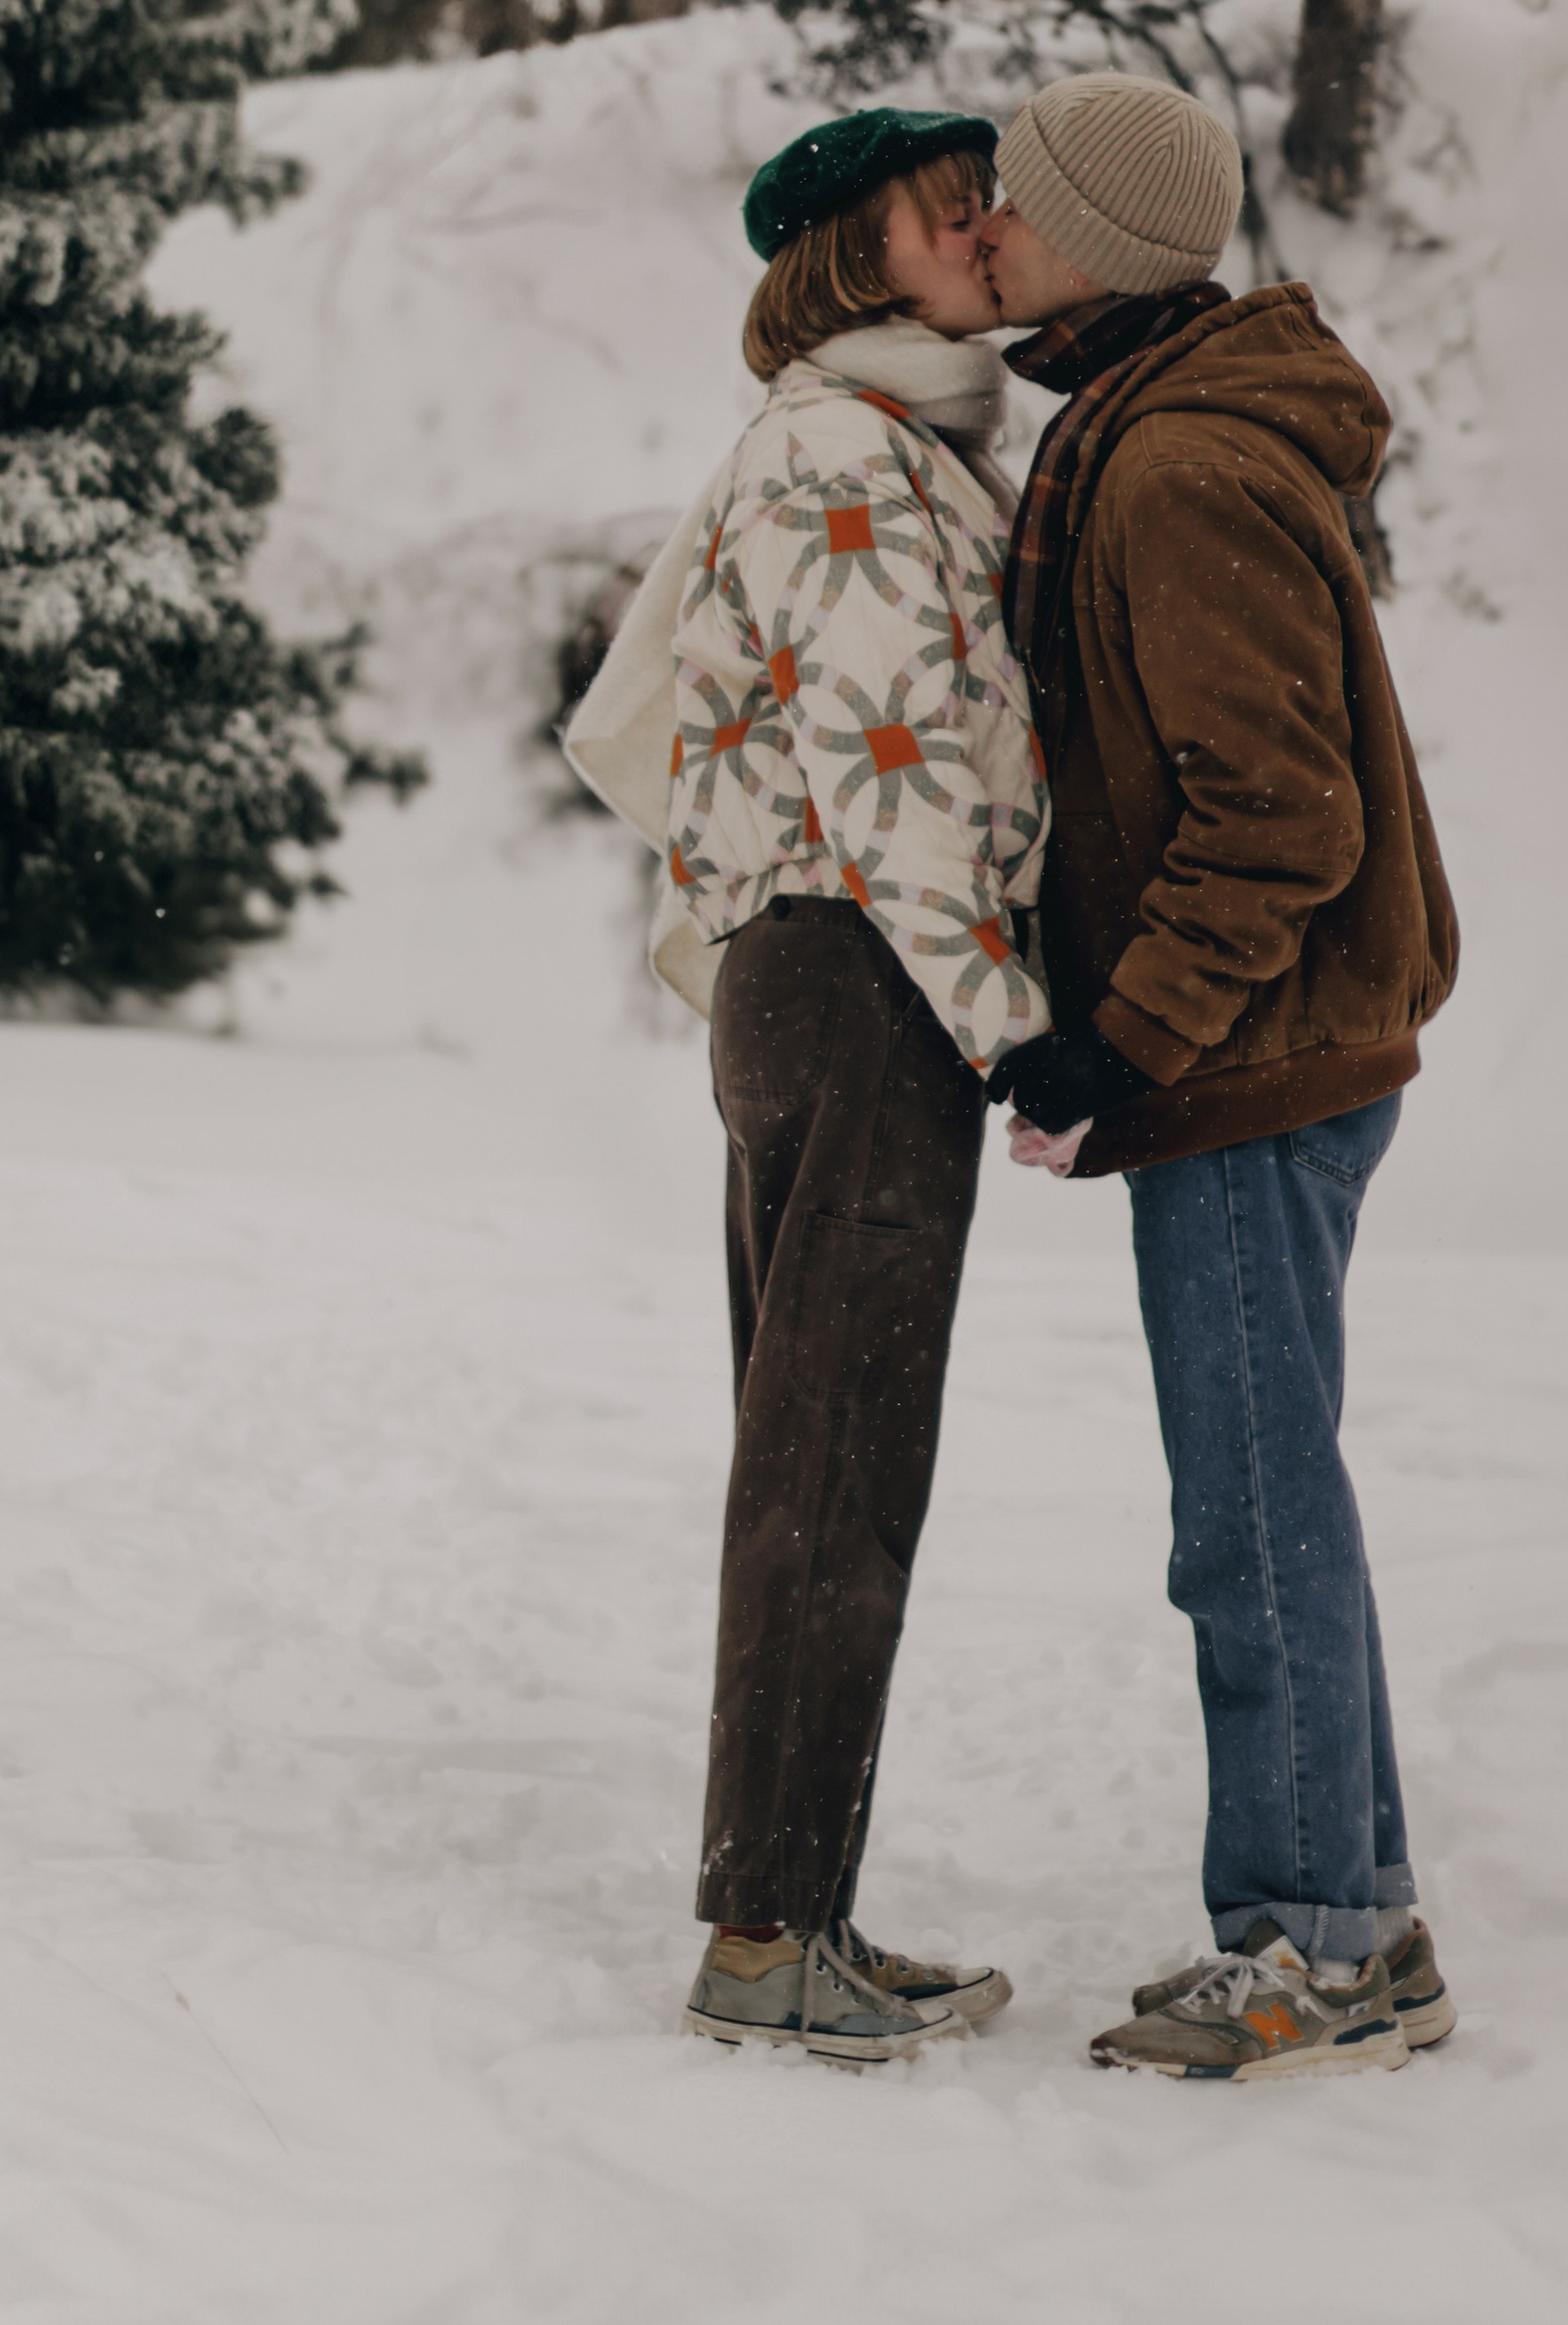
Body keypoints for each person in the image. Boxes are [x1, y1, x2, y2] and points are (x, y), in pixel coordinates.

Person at [973, 70, 1465, 2083]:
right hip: (1257, 1050)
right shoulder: (1146, 422)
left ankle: (1313, 1946)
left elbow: (1280, 816)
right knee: (1264, 1499)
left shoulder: (1174, 469)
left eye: (1006, 211)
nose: (983, 237)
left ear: (1090, 239)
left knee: (1248, 1520)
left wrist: (1126, 1028)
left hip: (1254, 1056)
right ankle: (1347, 1920)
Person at [565, 105, 1049, 2065]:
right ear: (854, 259)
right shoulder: (841, 458)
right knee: (830, 1465)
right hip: (862, 971)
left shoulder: (863, 444)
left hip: (817, 971)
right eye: (945, 214)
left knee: (817, 1453)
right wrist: (1012, 1020)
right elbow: (889, 763)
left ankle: (790, 1907)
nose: (979, 229)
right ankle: (767, 1930)